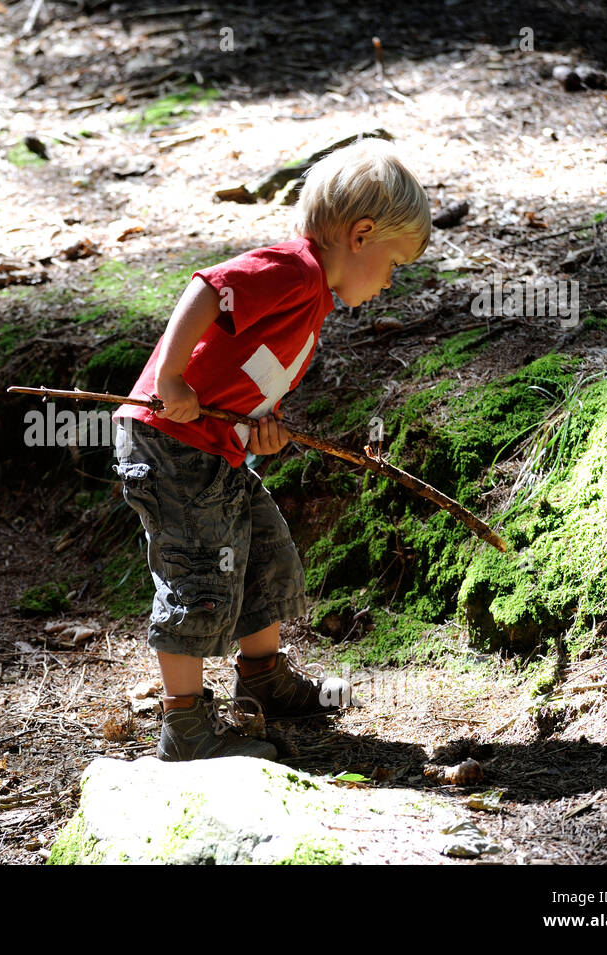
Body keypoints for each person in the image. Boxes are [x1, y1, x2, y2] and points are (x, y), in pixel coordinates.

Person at [112, 137, 432, 761]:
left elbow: (245, 373)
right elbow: (207, 291)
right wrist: (171, 379)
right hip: (170, 442)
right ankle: (187, 727)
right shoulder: (295, 270)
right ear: (361, 234)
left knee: (264, 553)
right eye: (395, 264)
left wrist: (266, 424)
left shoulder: (311, 301)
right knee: (198, 570)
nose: (391, 283)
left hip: (215, 448)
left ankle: (262, 682)